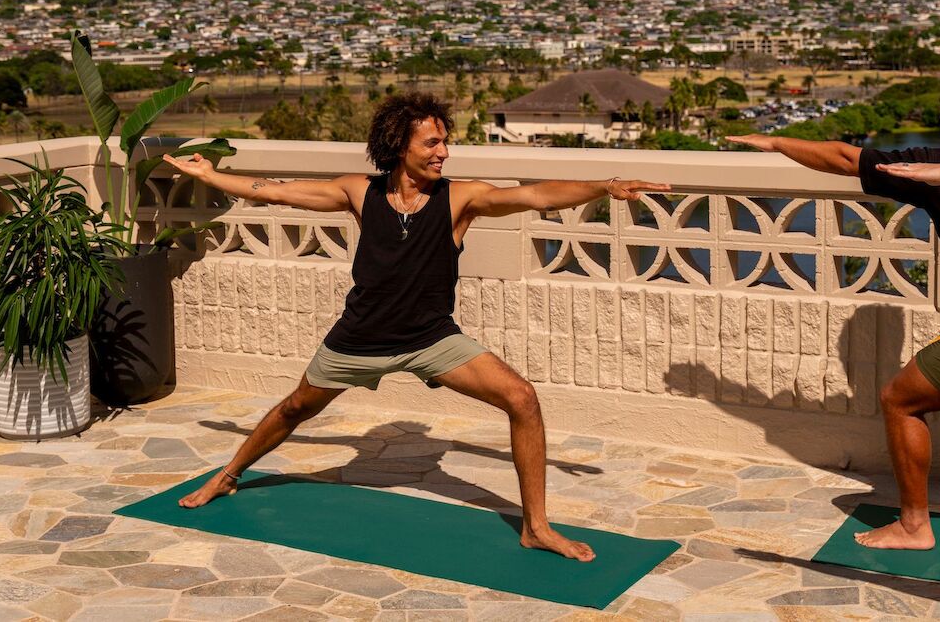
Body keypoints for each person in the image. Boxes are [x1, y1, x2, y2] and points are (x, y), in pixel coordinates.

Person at [163, 92, 668, 562]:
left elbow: (535, 194)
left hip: (432, 339)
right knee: (297, 407)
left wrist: (604, 186)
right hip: (360, 338)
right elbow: (276, 192)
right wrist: (210, 176)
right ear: (398, 146)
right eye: (432, 142)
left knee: (522, 398)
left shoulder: (459, 199)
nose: (444, 151)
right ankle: (229, 475)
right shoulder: (359, 192)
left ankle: (535, 526)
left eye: (445, 141)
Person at [727, 58, 940, 550]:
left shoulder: (930, 168)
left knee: (900, 400)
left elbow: (841, 158)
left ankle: (914, 526)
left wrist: (775, 142)